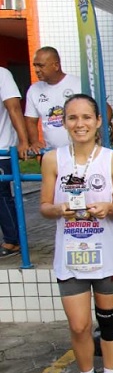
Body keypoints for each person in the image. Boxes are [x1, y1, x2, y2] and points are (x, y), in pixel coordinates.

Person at [40, 94, 113, 373]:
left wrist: (109, 208)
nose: (80, 124)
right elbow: (44, 207)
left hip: (105, 255)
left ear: (98, 122)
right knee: (78, 325)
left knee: (108, 322)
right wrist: (59, 209)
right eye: (73, 118)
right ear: (64, 122)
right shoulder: (53, 160)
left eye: (86, 118)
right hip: (70, 255)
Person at [24, 47, 82, 152]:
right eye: (35, 66)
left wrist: (99, 134)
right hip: (52, 154)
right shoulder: (34, 90)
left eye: (41, 66)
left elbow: (105, 109)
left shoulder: (79, 84)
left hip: (81, 151)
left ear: (56, 66)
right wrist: (35, 141)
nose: (37, 70)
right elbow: (30, 120)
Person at [0, 67, 27, 258]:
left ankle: (13, 241)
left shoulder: (2, 74)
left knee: (1, 196)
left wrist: (23, 141)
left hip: (1, 149)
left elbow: (14, 107)